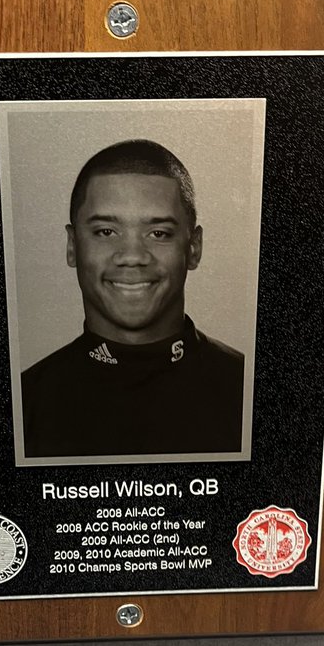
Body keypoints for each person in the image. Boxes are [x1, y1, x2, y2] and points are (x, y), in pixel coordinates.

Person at [21, 139, 245, 459]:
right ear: (72, 246)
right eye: (106, 232)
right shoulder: (22, 402)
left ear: (193, 247)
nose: (132, 257)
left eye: (159, 234)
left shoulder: (249, 390)